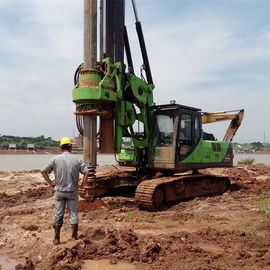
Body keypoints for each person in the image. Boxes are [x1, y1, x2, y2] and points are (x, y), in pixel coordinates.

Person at [40, 137, 89, 245]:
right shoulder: (77, 160)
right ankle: (74, 236)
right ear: (71, 147)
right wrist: (82, 184)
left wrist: (51, 183)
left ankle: (57, 238)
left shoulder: (55, 159)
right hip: (72, 191)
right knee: (73, 213)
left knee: (59, 213)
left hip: (59, 192)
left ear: (61, 148)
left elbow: (43, 171)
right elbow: (87, 172)